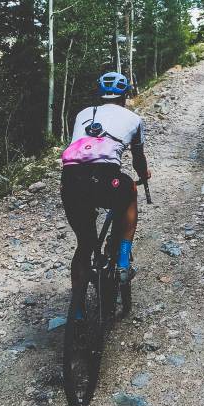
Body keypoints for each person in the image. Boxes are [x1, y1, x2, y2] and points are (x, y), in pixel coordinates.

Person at [59, 71, 151, 316]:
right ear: (125, 95)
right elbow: (138, 158)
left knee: (84, 244)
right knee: (129, 190)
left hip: (71, 181)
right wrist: (143, 176)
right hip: (105, 178)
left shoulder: (83, 114)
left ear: (100, 94)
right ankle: (122, 261)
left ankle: (77, 312)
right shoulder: (134, 118)